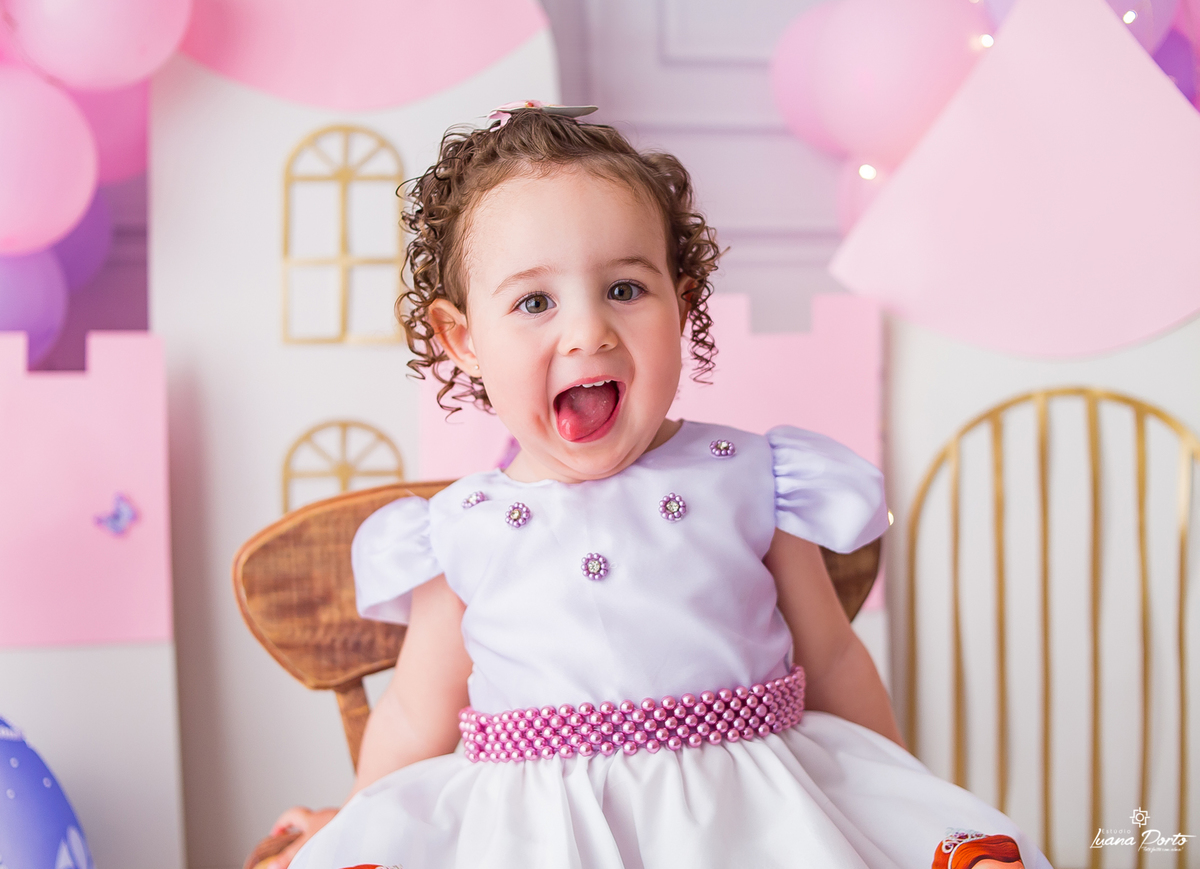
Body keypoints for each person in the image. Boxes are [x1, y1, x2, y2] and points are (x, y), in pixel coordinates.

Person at [266, 102, 1049, 869]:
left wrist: (906, 799)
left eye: (625, 289)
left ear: (683, 302)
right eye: (535, 302)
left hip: (752, 823)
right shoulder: (460, 530)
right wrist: (354, 820)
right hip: (540, 837)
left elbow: (835, 661)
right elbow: (414, 715)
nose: (589, 331)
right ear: (463, 338)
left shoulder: (753, 478)